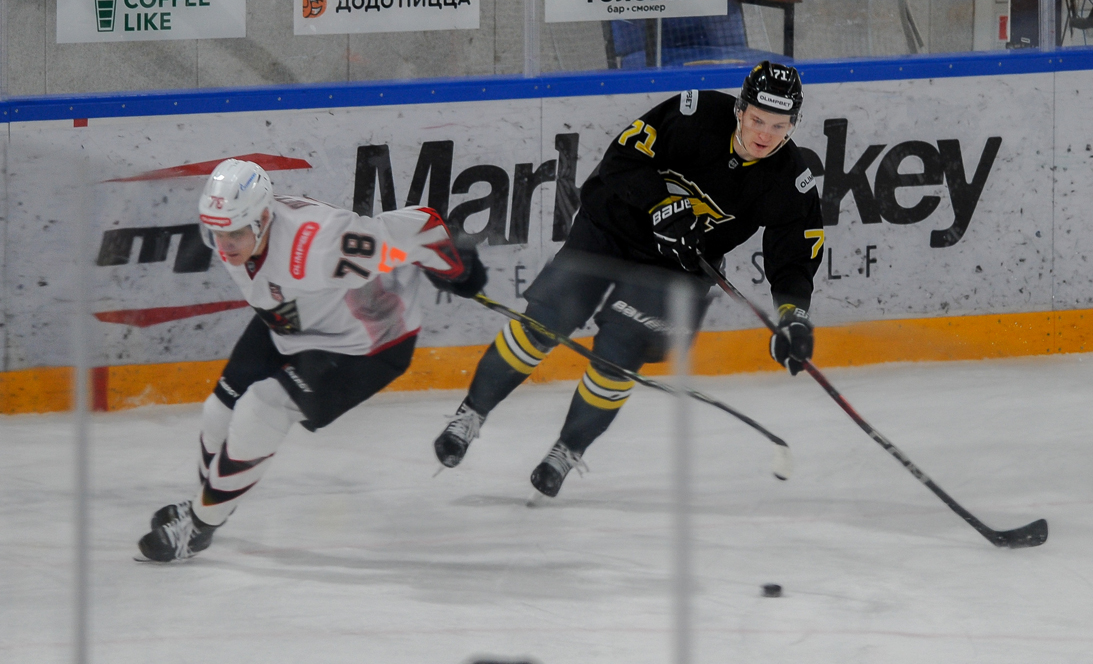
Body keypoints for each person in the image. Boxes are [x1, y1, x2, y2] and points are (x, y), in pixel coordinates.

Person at [433, 61, 824, 498]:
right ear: (740, 109)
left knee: (622, 352)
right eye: (757, 120)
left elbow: (794, 257)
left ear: (793, 124)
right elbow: (621, 159)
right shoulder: (694, 114)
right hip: (612, 227)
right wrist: (659, 204)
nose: (765, 135)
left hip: (679, 264)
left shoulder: (791, 180)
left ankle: (567, 449)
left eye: (779, 125)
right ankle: (471, 414)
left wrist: (794, 316)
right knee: (545, 322)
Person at [137, 159, 485, 562]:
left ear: (263, 219)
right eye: (216, 232)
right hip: (292, 319)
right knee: (218, 411)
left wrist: (456, 269)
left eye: (234, 232)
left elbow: (420, 225)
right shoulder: (249, 232)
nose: (225, 245)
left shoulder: (321, 243)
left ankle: (198, 527)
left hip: (366, 346)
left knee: (261, 409)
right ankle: (208, 503)